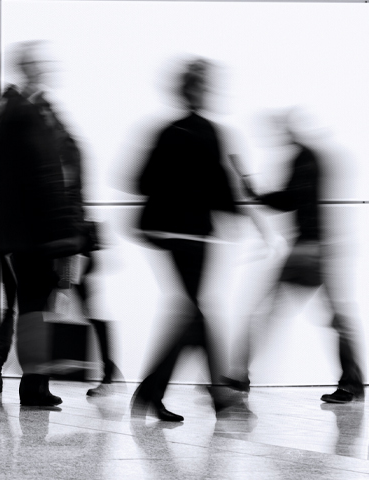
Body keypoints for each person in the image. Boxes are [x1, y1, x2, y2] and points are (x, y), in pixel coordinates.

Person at [129, 58, 248, 422]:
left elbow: (141, 181)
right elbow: (222, 189)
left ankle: (155, 392)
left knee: (193, 316)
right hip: (194, 236)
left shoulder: (167, 132)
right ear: (197, 89)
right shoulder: (210, 133)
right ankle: (211, 397)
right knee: (195, 316)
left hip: (169, 234)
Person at [230, 109, 364, 404]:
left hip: (308, 250)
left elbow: (288, 201)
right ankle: (352, 383)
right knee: (333, 318)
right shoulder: (310, 158)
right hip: (318, 249)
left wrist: (253, 192)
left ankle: (239, 376)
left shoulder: (305, 159)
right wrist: (257, 193)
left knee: (265, 312)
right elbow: (290, 200)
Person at [0, 41, 85, 407]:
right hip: (35, 230)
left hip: (21, 229)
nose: (45, 69)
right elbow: (46, 176)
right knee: (33, 304)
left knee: (31, 304)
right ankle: (33, 384)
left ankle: (32, 381)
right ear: (28, 69)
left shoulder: (15, 110)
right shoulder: (26, 113)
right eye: (39, 65)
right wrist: (64, 232)